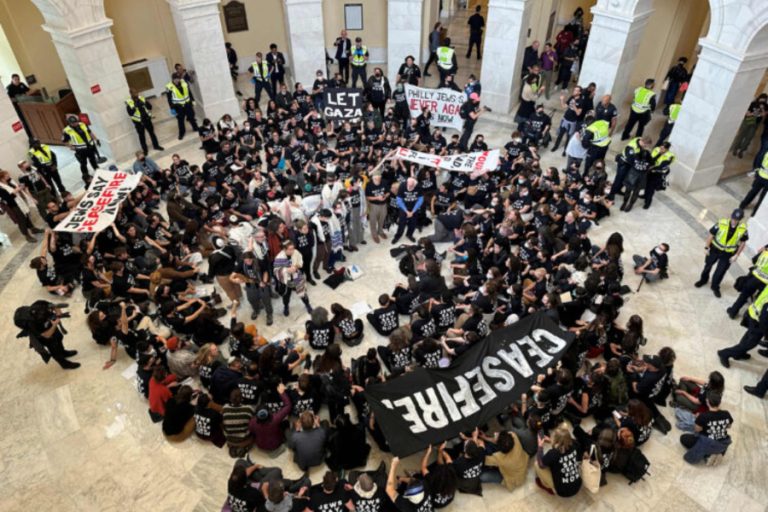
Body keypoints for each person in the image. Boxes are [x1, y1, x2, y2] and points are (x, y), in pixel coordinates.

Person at [695, 208, 748, 298]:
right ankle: (703, 280)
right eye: (734, 218)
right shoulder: (721, 223)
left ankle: (715, 286)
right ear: (731, 216)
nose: (734, 221)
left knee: (721, 271)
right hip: (714, 249)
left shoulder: (743, 228)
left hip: (728, 253)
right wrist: (706, 247)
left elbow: (743, 242)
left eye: (737, 220)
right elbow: (711, 235)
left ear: (740, 219)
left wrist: (737, 255)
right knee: (708, 265)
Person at [718, 284, 768, 368]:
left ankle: (739, 353)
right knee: (751, 343)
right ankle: (724, 353)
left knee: (749, 336)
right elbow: (764, 316)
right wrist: (766, 333)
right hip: (759, 321)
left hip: (754, 313)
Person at [679, 391, 732, 464]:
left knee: (683, 438)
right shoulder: (726, 413)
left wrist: (698, 419)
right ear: (719, 403)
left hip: (707, 443)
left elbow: (697, 430)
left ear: (707, 402)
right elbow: (729, 426)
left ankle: (707, 454)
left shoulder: (703, 416)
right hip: (722, 444)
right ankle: (713, 453)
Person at [535, 422, 582, 497]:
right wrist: (552, 441)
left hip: (562, 491)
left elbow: (541, 464)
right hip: (577, 484)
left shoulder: (553, 453)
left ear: (556, 441)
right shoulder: (574, 444)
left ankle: (549, 487)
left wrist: (540, 446)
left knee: (537, 464)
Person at [727, 244, 768, 318]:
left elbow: (757, 255)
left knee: (743, 295)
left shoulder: (766, 250)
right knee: (759, 301)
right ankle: (748, 317)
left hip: (754, 277)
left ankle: (733, 311)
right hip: (765, 284)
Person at [0, 170, 42, 243]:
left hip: (19, 202)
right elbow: (7, 199)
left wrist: (19, 187)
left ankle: (33, 229)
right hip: (14, 206)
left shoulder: (9, 183)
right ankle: (27, 235)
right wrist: (16, 191)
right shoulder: (1, 188)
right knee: (21, 220)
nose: (9, 175)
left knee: (26, 215)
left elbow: (15, 188)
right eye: (7, 175)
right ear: (2, 178)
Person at [273, 240, 313, 316]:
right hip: (286, 280)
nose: (292, 251)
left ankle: (307, 304)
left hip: (296, 276)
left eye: (293, 248)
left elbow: (300, 261)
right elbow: (276, 271)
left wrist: (296, 267)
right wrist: (287, 270)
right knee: (286, 295)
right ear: (284, 249)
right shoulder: (279, 257)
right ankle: (286, 306)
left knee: (302, 292)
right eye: (290, 249)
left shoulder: (296, 252)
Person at [61, 115, 99, 183]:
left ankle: (98, 172)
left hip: (89, 147)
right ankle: (86, 177)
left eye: (76, 122)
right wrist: (71, 147)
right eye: (73, 123)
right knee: (83, 164)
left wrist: (96, 139)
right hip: (80, 150)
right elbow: (64, 141)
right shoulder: (67, 130)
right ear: (69, 123)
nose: (75, 124)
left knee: (93, 160)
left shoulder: (83, 124)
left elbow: (89, 132)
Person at [126, 88, 163, 154]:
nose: (136, 94)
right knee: (142, 137)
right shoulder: (129, 102)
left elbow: (150, 107)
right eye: (134, 93)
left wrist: (144, 103)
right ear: (131, 94)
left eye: (136, 92)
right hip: (139, 122)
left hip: (146, 119)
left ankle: (156, 146)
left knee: (152, 133)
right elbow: (130, 113)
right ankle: (145, 150)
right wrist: (135, 107)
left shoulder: (142, 98)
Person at [731, 94, 766, 158]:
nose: (762, 100)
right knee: (740, 136)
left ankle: (741, 151)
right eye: (762, 98)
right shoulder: (753, 103)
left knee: (749, 138)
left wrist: (762, 108)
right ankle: (735, 149)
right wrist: (755, 114)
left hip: (755, 123)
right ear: (759, 98)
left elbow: (764, 115)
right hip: (747, 121)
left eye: (764, 99)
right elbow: (747, 113)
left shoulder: (765, 106)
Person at [165, 74, 198, 140]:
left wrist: (193, 100)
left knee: (191, 117)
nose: (177, 80)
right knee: (180, 120)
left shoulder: (184, 83)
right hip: (178, 106)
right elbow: (169, 99)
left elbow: (189, 92)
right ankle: (182, 133)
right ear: (173, 79)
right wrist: (172, 108)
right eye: (175, 79)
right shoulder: (169, 87)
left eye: (178, 79)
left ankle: (195, 128)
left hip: (187, 104)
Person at [393, 177, 423, 244]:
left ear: (415, 185)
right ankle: (397, 236)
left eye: (411, 186)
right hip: (404, 207)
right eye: (408, 185)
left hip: (414, 207)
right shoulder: (402, 185)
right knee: (401, 223)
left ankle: (409, 235)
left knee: (413, 223)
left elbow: (420, 199)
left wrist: (413, 211)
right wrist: (406, 211)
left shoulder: (418, 186)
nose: (409, 187)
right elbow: (399, 200)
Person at [644, 142, 675, 209]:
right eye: (660, 147)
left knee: (651, 188)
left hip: (658, 173)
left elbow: (662, 166)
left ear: (667, 149)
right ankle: (645, 195)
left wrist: (652, 167)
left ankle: (648, 202)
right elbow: (651, 159)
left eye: (663, 149)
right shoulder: (656, 149)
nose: (661, 149)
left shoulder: (670, 156)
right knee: (646, 184)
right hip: (651, 171)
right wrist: (659, 154)